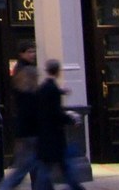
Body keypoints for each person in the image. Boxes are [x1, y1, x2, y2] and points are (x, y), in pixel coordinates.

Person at [34, 59, 85, 190]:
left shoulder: (43, 88)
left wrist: (61, 92)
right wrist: (71, 120)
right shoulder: (53, 90)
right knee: (62, 167)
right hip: (54, 136)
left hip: (44, 135)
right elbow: (56, 113)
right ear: (57, 72)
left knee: (48, 168)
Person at [0, 42, 39, 189]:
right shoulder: (26, 72)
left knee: (34, 168)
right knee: (24, 169)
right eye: (29, 52)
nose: (32, 55)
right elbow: (30, 100)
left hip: (27, 127)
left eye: (33, 51)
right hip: (29, 129)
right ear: (21, 54)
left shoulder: (21, 70)